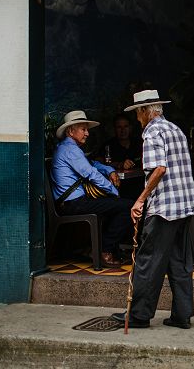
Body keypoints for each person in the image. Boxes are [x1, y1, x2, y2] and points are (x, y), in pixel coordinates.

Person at [111, 89, 194, 329]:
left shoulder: (151, 132)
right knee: (179, 262)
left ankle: (138, 315)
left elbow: (159, 169)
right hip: (185, 205)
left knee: (147, 260)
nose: (137, 119)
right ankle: (182, 315)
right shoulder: (175, 130)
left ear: (144, 111)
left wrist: (140, 199)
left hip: (164, 208)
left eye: (138, 114)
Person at [51, 110, 133, 269]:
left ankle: (102, 248)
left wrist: (109, 170)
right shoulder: (70, 149)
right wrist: (113, 190)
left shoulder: (70, 148)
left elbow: (93, 164)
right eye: (83, 129)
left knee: (116, 205)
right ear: (70, 131)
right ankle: (105, 250)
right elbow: (90, 173)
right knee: (127, 206)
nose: (87, 133)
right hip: (73, 203)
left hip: (74, 202)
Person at [100, 113, 143, 199]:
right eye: (119, 127)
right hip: (119, 188)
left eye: (126, 126)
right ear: (114, 129)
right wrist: (119, 164)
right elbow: (99, 162)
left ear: (130, 128)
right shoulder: (108, 145)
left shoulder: (138, 143)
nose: (123, 130)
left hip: (140, 186)